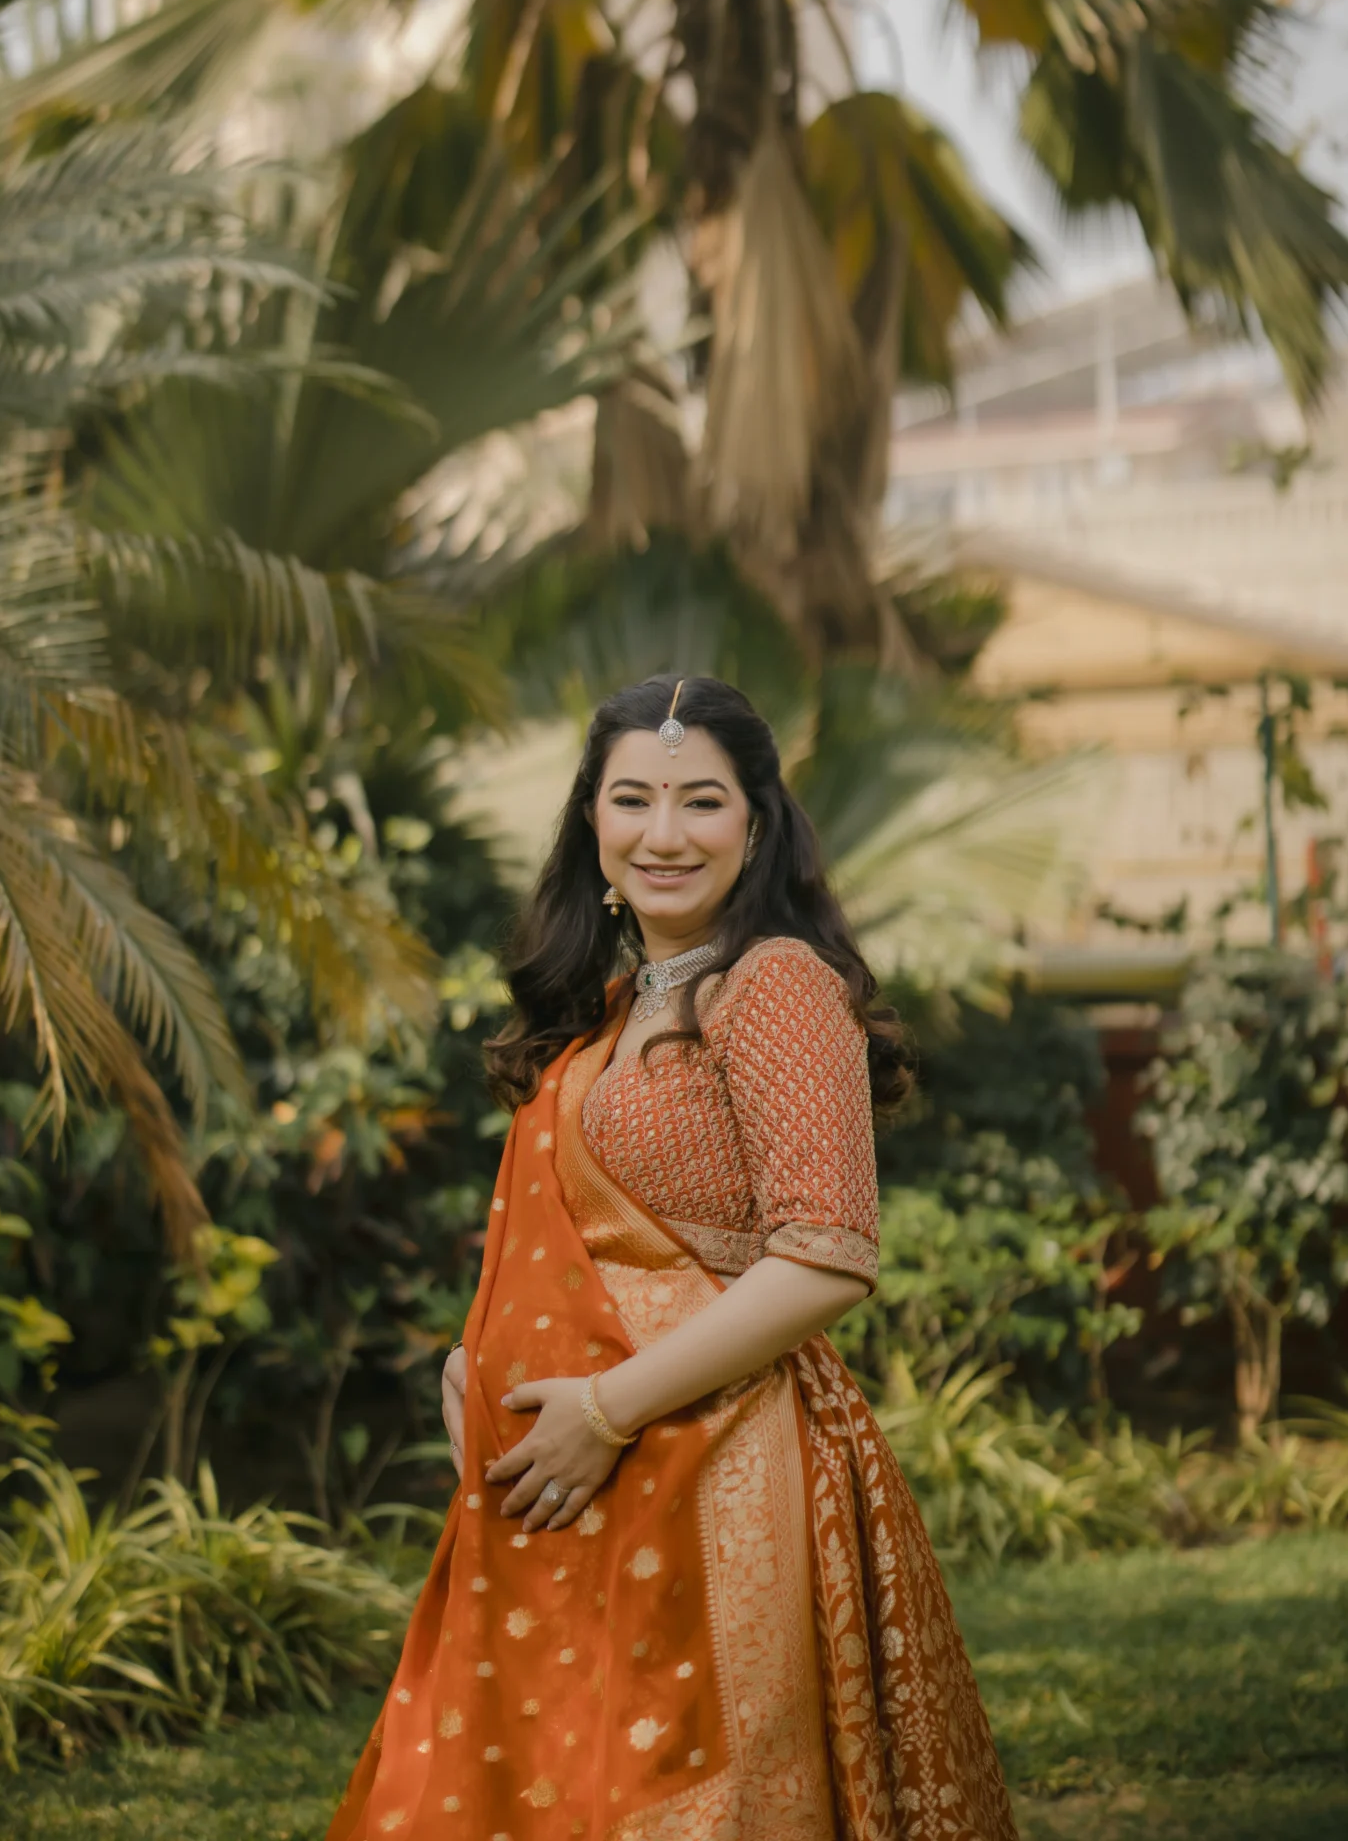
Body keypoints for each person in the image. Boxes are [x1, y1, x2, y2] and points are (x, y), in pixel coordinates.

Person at [327, 674, 1017, 1841]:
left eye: (701, 800)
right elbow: (579, 1238)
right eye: (632, 798)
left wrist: (605, 1407)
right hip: (568, 1487)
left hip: (721, 1468)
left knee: (698, 1799)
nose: (663, 834)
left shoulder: (775, 984)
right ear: (591, 821)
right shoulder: (610, 1010)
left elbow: (828, 1255)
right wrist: (474, 1359)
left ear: (756, 823)